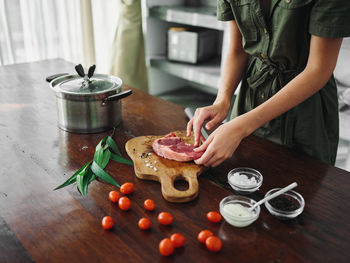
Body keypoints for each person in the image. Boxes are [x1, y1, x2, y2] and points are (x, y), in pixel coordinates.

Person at [186, 0, 350, 167]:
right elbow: (238, 48)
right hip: (250, 98)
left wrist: (241, 127)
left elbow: (318, 70)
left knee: (301, 183)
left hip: (306, 111)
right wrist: (222, 101)